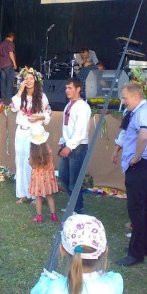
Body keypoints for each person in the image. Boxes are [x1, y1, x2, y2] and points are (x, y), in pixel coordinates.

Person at [111, 81, 147, 266]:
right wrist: (117, 149)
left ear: (135, 97)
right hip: (141, 163)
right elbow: (127, 133)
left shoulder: (143, 113)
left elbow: (144, 136)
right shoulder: (135, 111)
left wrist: (136, 157)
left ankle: (136, 253)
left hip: (140, 164)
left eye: (125, 98)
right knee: (143, 205)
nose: (123, 101)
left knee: (136, 208)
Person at [10, 67, 51, 204]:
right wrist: (20, 90)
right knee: (21, 161)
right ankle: (23, 193)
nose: (28, 80)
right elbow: (13, 107)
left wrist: (39, 117)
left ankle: (36, 195)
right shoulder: (20, 96)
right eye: (26, 78)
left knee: (34, 162)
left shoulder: (41, 96)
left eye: (31, 78)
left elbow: (47, 114)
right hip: (21, 132)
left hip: (35, 132)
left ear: (35, 80)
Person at [58, 78, 91, 214]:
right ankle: (75, 204)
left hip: (78, 147)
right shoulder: (68, 105)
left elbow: (80, 131)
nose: (67, 90)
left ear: (78, 89)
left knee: (74, 181)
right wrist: (62, 142)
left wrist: (69, 146)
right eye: (66, 88)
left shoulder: (83, 107)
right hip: (68, 145)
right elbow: (66, 127)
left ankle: (77, 208)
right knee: (63, 176)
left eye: (70, 88)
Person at [28, 123, 59, 223]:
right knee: (49, 195)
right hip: (48, 176)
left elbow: (32, 164)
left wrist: (30, 161)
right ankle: (53, 215)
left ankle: (39, 217)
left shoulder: (33, 151)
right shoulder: (48, 148)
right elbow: (51, 162)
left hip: (38, 178)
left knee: (38, 197)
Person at [0, 32, 17, 99]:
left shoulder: (1, 44)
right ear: (12, 37)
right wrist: (14, 63)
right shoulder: (10, 43)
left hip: (2, 65)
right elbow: (11, 53)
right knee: (9, 81)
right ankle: (8, 98)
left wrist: (0, 65)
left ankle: (3, 97)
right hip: (9, 64)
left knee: (3, 82)